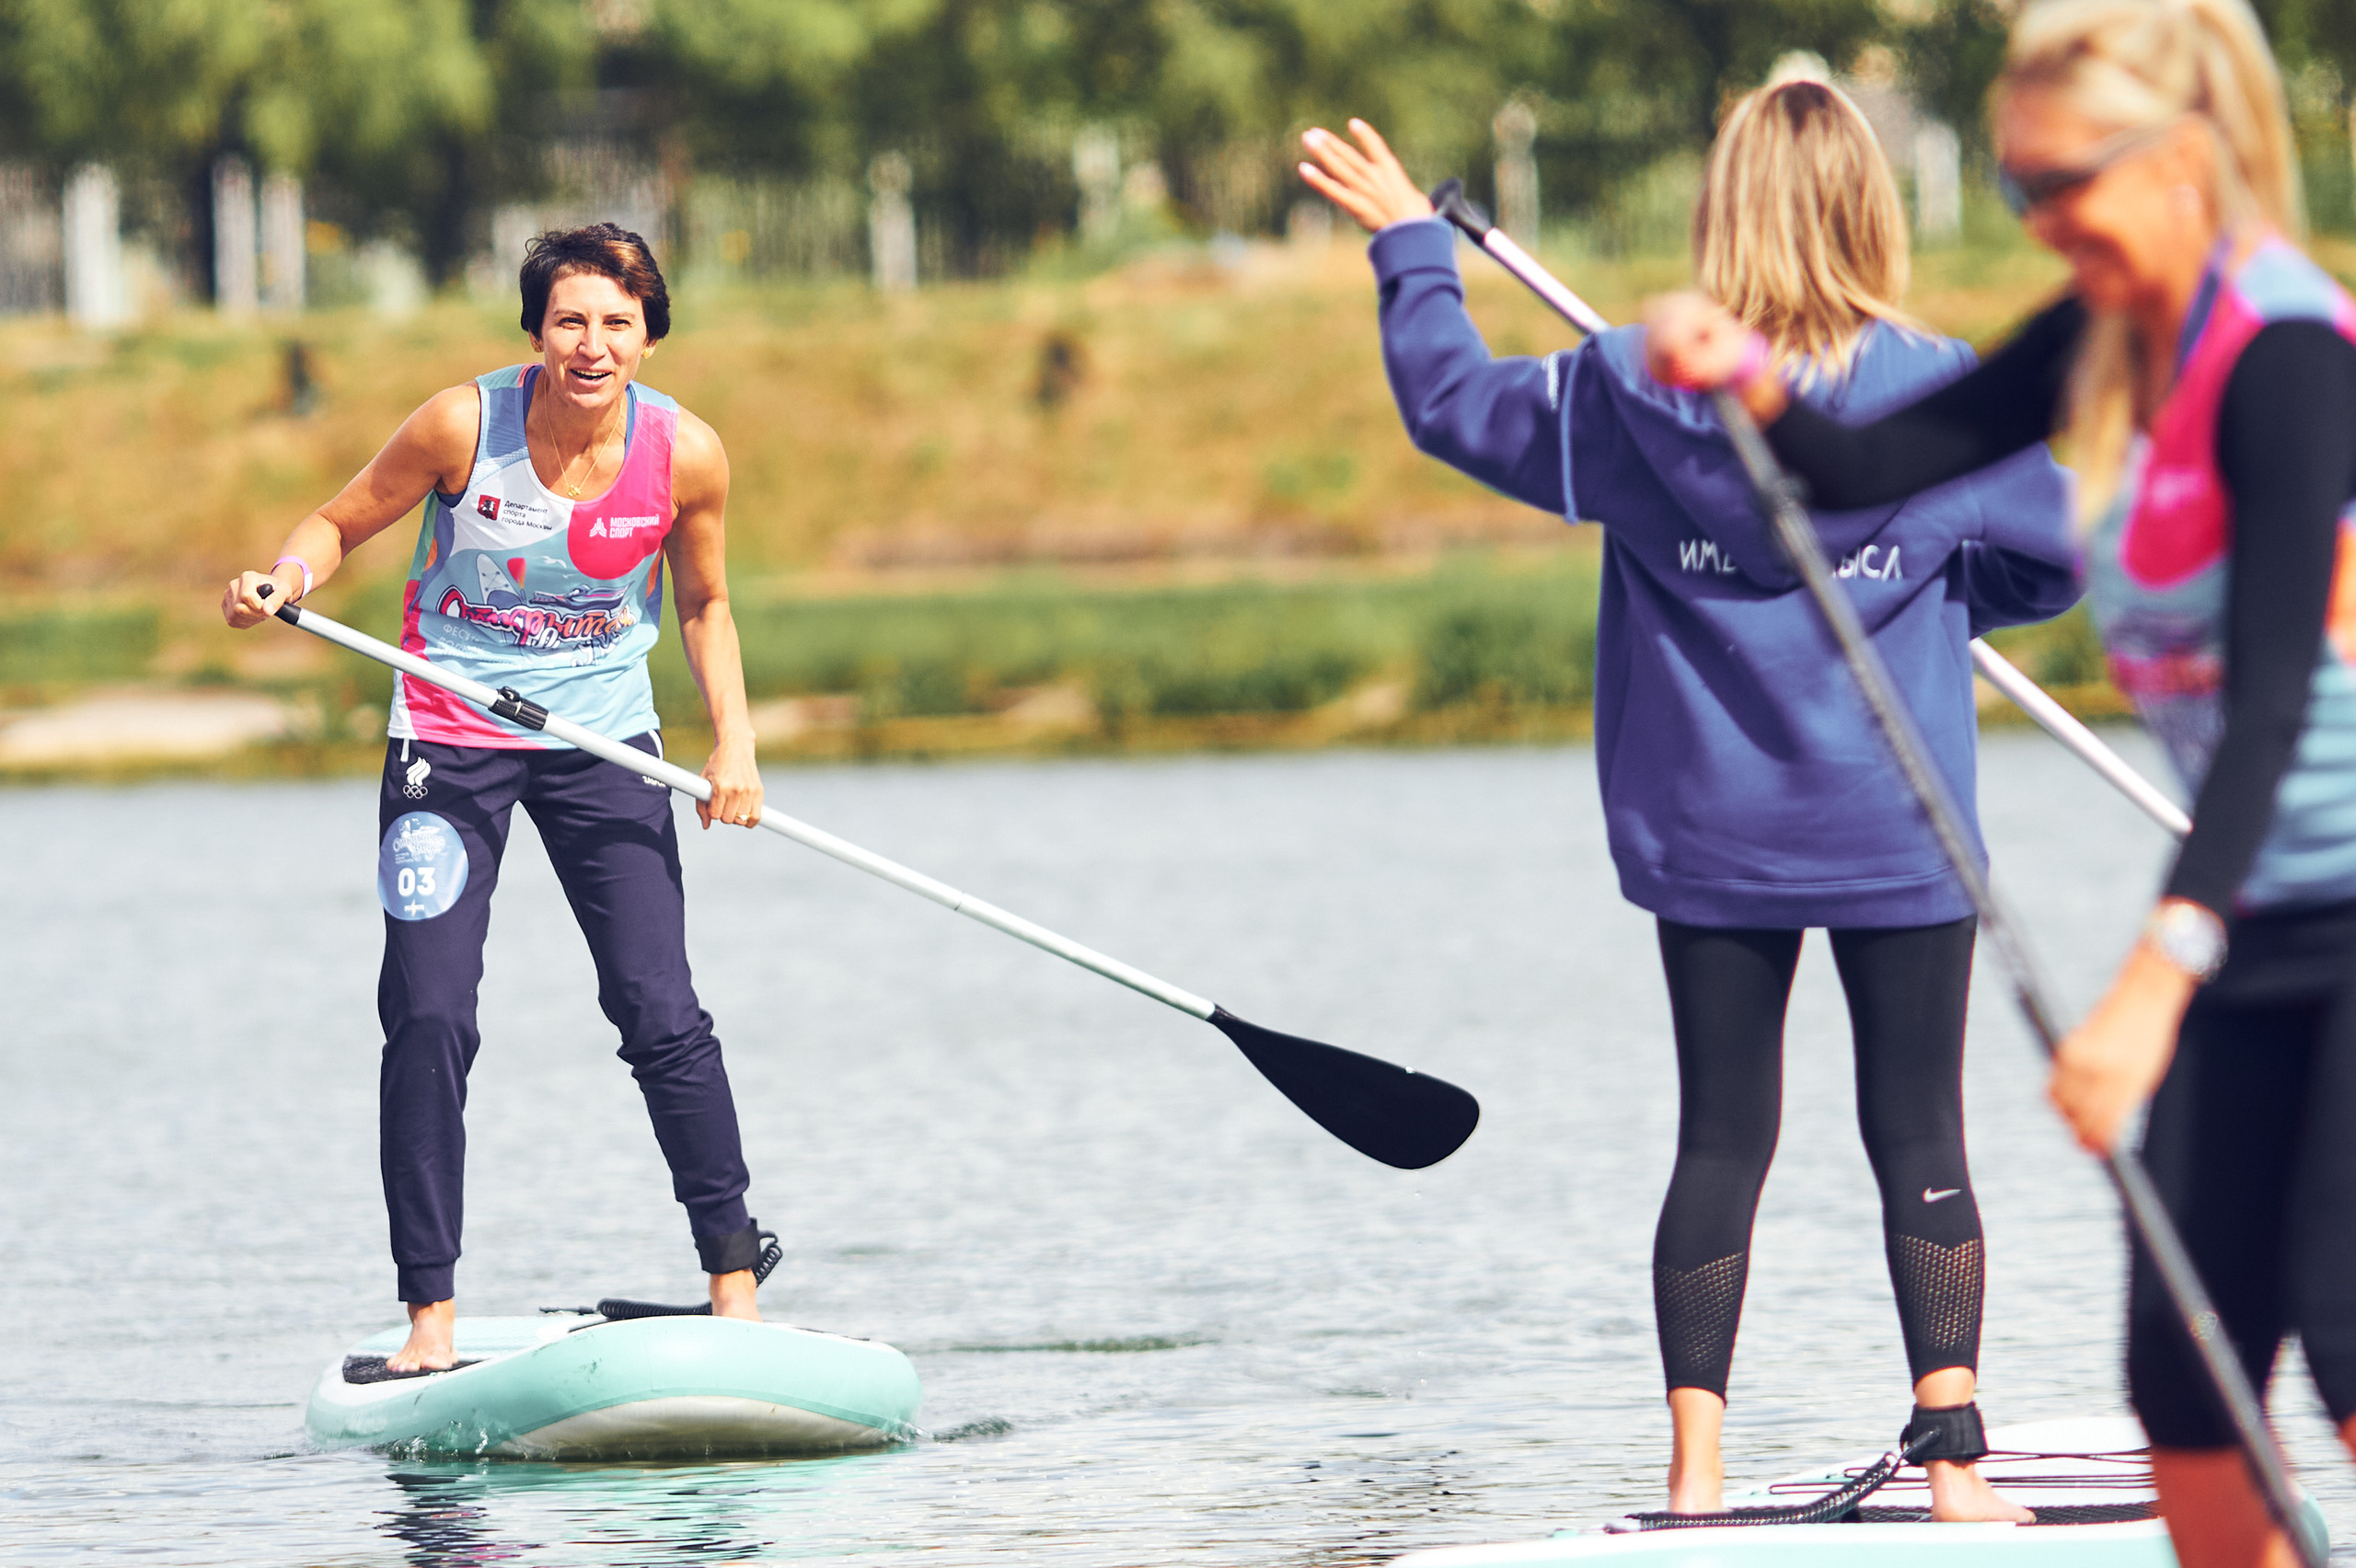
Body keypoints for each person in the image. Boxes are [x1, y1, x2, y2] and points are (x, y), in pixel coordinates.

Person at [1300, 77, 2078, 1518]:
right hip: (1895, 825)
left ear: (1725, 213)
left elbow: (1454, 406)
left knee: (1723, 1133)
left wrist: (1415, 248)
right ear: (1871, 209)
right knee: (1919, 1127)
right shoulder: (1942, 388)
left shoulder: (1619, 388)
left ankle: (1697, 1465)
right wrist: (1941, 582)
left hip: (1713, 836)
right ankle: (1956, 1465)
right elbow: (2061, 553)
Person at [1646, 2, 2356, 1563]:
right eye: (2018, 190)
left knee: (2342, 1317)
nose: (2038, 222)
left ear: (2180, 161)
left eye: (2058, 186)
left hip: (2321, 898)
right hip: (2262, 911)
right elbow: (1862, 471)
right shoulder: (2106, 326)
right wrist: (1747, 374)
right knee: (2181, 1368)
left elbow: (2279, 700)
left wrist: (2155, 977)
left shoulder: (2291, 352)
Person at [221, 224, 772, 1373]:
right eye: (570, 320)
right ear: (535, 333)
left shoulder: (690, 455)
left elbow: (707, 606)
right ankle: (431, 1323)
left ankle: (733, 1284)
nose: (592, 344)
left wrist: (737, 746)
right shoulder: (463, 426)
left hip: (601, 743)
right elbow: (339, 521)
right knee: (429, 1016)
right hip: (447, 738)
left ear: (649, 337)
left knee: (658, 1010)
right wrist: (287, 576)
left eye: (617, 323)